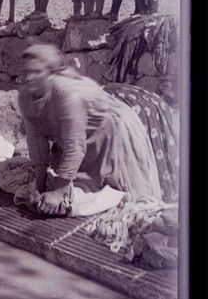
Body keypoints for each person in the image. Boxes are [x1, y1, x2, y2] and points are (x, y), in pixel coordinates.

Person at [18, 44, 165, 216]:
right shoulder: (25, 97)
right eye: (26, 72)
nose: (29, 78)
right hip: (84, 135)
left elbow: (75, 147)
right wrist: (39, 188)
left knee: (128, 199)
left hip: (113, 130)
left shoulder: (65, 93)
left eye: (37, 72)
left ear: (51, 73)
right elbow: (37, 145)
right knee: (81, 189)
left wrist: (58, 193)